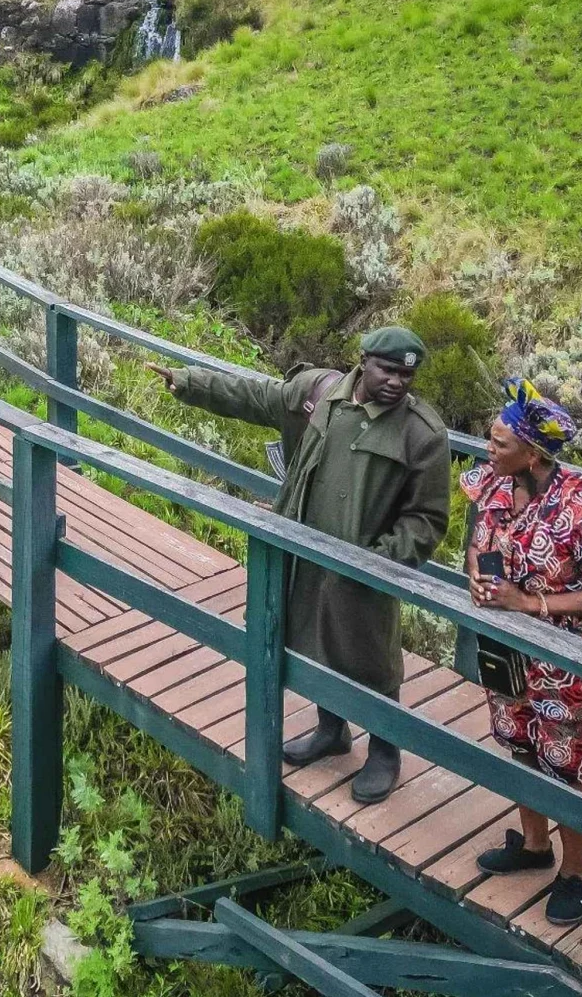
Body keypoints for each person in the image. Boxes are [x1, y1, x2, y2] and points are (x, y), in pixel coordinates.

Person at [147, 327, 451, 803]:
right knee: (310, 638)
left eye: (407, 374)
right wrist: (189, 382)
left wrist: (380, 560)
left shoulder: (422, 434)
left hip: (362, 569)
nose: (397, 382)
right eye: (388, 369)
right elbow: (255, 396)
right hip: (301, 549)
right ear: (364, 361)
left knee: (371, 657)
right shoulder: (321, 392)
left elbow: (428, 518)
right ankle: (332, 730)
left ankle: (384, 751)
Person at [464, 378, 582, 926]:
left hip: (567, 664)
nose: (488, 449)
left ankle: (575, 872)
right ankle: (535, 847)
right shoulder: (492, 482)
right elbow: (481, 537)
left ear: (533, 452)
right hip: (507, 650)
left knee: (565, 763)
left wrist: (531, 602)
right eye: (489, 440)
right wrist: (477, 575)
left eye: (499, 443)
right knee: (518, 744)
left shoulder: (581, 505)